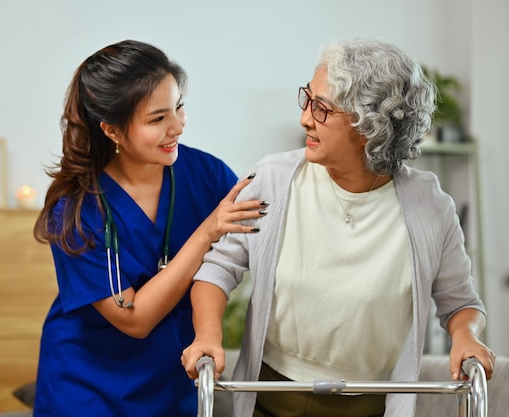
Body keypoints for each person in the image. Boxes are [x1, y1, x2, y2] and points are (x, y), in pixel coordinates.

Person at [181, 38, 496, 417]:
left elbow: (460, 302)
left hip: (370, 402)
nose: (304, 118)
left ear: (369, 127)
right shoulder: (273, 179)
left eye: (322, 109)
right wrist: (209, 336)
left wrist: (465, 336)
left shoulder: (429, 205)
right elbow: (218, 269)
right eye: (308, 99)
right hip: (270, 394)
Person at [32, 39, 267, 417]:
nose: (176, 127)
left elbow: (266, 240)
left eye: (178, 108)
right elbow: (134, 318)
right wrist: (207, 232)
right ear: (112, 130)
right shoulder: (78, 210)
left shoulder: (206, 174)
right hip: (88, 388)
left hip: (169, 380)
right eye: (157, 119)